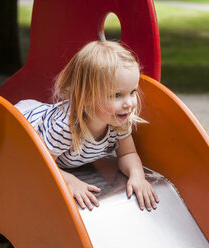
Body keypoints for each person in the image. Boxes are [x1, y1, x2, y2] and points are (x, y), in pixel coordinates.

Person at [15, 40, 159, 211]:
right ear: (88, 97)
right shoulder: (65, 128)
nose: (128, 103)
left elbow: (128, 153)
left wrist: (137, 176)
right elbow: (39, 164)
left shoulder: (118, 120)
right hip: (20, 126)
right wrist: (69, 180)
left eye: (133, 92)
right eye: (117, 95)